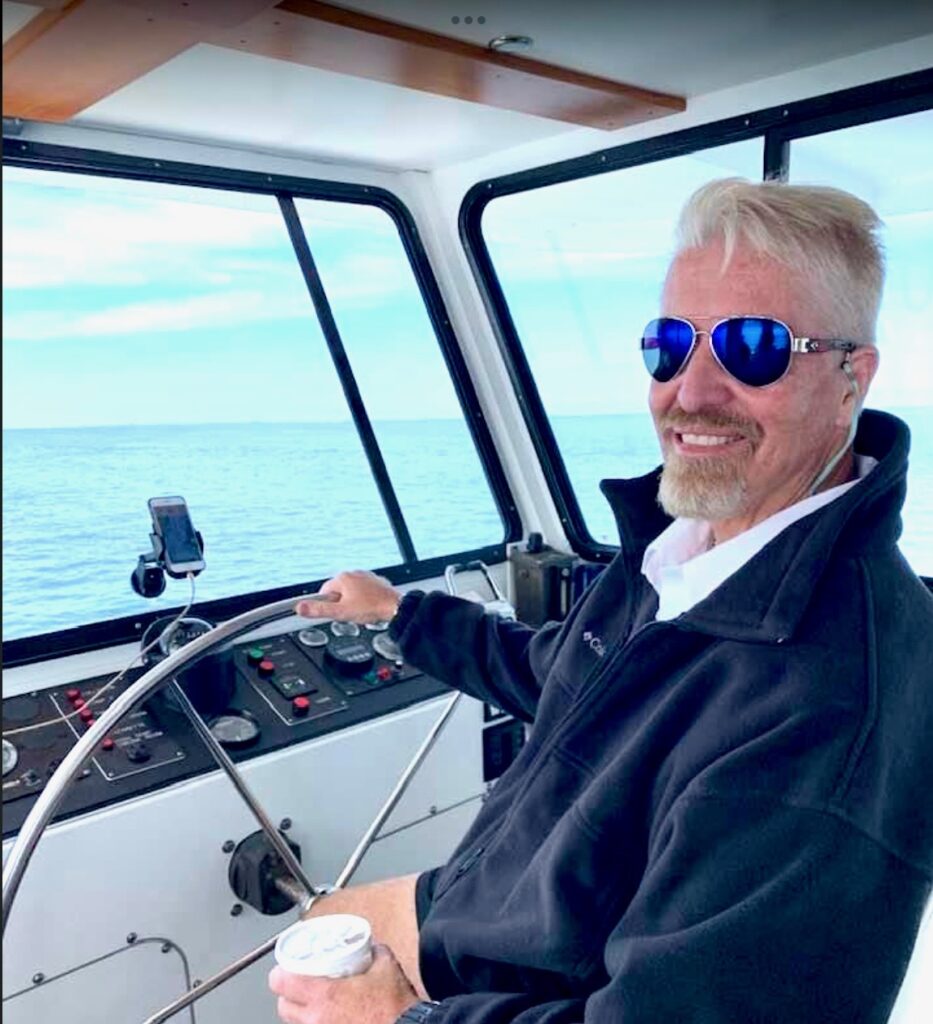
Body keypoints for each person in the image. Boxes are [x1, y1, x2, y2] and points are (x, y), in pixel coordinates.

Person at [268, 178, 933, 1024]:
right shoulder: (681, 551)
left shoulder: (828, 706)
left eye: (753, 347)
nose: (690, 391)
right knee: (317, 927)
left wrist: (403, 1019)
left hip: (540, 981)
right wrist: (402, 615)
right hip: (509, 902)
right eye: (670, 344)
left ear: (849, 380)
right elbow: (563, 676)